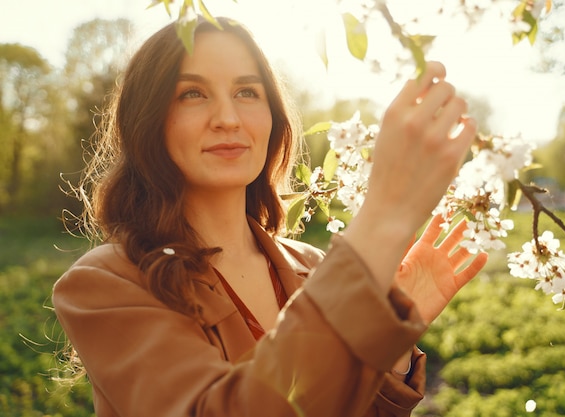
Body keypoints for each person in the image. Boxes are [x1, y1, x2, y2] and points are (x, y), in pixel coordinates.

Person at [52, 15, 488, 417]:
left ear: (273, 118)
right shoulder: (106, 283)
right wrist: (383, 217)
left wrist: (388, 341)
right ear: (148, 121)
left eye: (247, 92)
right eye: (192, 93)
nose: (227, 118)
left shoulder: (314, 268)